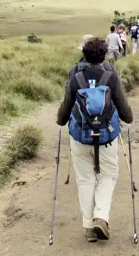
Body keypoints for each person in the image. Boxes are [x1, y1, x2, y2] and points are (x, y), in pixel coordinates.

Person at [57, 37, 133, 242]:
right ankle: (101, 216)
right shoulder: (111, 77)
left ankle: (89, 227)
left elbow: (63, 115)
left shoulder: (75, 79)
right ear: (104, 55)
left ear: (84, 54)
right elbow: (127, 115)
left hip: (80, 137)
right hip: (106, 136)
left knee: (85, 179)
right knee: (108, 175)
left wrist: (61, 120)